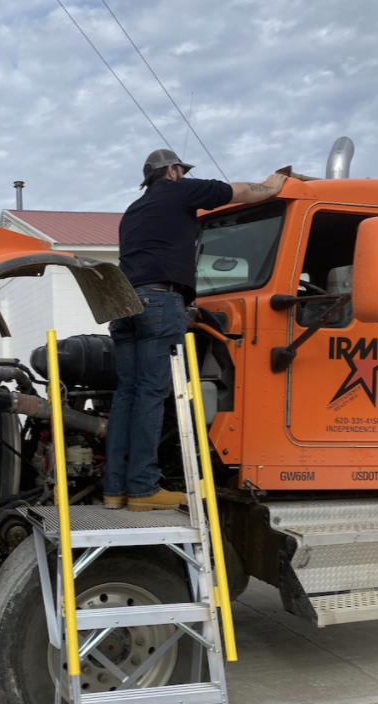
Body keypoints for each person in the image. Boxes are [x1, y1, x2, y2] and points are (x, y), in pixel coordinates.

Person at [103, 148, 287, 511]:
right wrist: (271, 185)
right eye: (182, 171)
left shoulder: (133, 211)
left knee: (127, 395)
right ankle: (143, 489)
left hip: (123, 306)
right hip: (159, 301)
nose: (184, 176)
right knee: (152, 395)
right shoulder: (179, 191)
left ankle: (115, 491)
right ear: (172, 171)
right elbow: (240, 192)